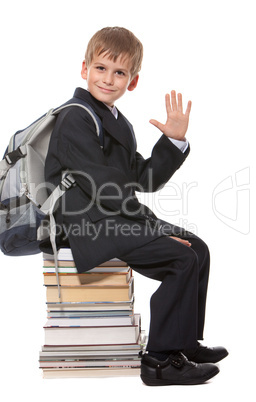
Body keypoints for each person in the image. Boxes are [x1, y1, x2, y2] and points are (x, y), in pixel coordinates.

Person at [42, 26, 228, 386]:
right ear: (84, 69)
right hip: (87, 225)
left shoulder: (115, 121)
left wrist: (173, 140)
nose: (108, 79)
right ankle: (159, 361)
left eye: (120, 72)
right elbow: (102, 187)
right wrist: (150, 227)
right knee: (182, 257)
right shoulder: (75, 117)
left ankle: (183, 343)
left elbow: (143, 179)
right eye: (101, 68)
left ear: (133, 81)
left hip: (110, 216)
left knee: (199, 249)